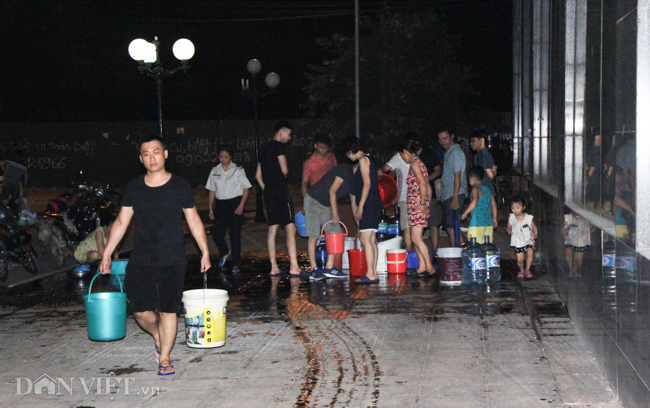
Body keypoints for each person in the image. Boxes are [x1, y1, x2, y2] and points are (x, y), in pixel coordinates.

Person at [99, 133, 211, 377]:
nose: (152, 157)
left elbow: (193, 219)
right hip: (141, 259)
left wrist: (204, 251)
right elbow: (121, 222)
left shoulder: (180, 185)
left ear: (166, 154)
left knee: (169, 310)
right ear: (141, 158)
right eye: (146, 153)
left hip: (173, 258)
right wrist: (106, 253)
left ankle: (165, 357)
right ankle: (160, 335)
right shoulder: (134, 187)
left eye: (156, 152)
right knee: (140, 311)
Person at [255, 120, 306, 277]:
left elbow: (257, 176)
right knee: (291, 228)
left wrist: (268, 190)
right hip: (281, 193)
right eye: (289, 134)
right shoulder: (279, 147)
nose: (290, 138)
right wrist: (281, 177)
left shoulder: (263, 149)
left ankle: (274, 267)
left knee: (273, 230)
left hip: (269, 193)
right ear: (281, 132)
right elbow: (284, 171)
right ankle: (294, 267)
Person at [205, 144, 252, 274]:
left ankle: (236, 262)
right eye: (221, 157)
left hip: (235, 203)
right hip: (221, 205)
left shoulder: (237, 170)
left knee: (234, 234)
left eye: (225, 157)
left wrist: (241, 205)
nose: (223, 159)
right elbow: (212, 190)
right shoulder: (215, 170)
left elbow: (246, 188)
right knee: (217, 232)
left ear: (230, 156)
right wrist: (210, 207)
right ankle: (225, 252)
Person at [304, 164, 355, 279]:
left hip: (326, 204)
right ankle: (314, 269)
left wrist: (359, 226)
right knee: (313, 235)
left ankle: (329, 267)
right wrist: (335, 214)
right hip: (314, 199)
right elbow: (332, 191)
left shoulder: (356, 181)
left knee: (335, 232)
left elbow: (354, 203)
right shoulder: (345, 170)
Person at [343, 137, 383, 284]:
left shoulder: (363, 160)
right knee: (371, 239)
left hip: (369, 204)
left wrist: (360, 206)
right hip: (373, 203)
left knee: (365, 239)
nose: (348, 157)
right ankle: (373, 272)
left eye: (348, 153)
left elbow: (367, 184)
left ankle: (370, 273)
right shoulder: (369, 159)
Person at [399, 140, 436, 277]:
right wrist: (427, 204)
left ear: (405, 152)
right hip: (417, 204)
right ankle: (422, 266)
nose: (402, 159)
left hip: (416, 204)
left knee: (417, 238)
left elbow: (422, 183)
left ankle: (430, 267)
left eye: (401, 156)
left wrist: (421, 203)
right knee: (415, 238)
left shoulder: (415, 163)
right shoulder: (421, 164)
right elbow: (428, 186)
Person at [437, 127, 467, 247]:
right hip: (449, 193)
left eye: (445, 138)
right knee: (452, 227)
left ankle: (458, 256)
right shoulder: (449, 151)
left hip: (454, 194)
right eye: (440, 139)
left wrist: (455, 198)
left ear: (452, 136)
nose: (442, 141)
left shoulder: (455, 152)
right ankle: (461, 254)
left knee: (451, 228)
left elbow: (457, 176)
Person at [412, 134, 442, 253]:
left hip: (429, 193)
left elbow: (438, 170)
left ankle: (434, 250)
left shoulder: (428, 154)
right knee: (418, 228)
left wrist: (425, 180)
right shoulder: (412, 157)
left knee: (433, 222)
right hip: (416, 195)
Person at [378, 145, 412, 250]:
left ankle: (409, 252)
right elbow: (393, 174)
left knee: (406, 227)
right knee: (412, 228)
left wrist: (379, 170)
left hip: (406, 198)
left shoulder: (398, 156)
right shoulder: (414, 158)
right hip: (412, 196)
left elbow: (386, 168)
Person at [461, 166, 498, 244]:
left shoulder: (475, 189)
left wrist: (465, 213)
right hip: (488, 223)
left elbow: (475, 201)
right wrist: (494, 219)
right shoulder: (488, 189)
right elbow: (494, 205)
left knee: (474, 246)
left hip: (477, 224)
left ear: (472, 178)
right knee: (486, 247)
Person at [506, 196, 537, 279]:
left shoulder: (528, 217)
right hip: (518, 240)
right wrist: (509, 231)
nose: (515, 210)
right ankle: (521, 270)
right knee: (520, 259)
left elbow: (534, 227)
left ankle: (527, 270)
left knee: (530, 253)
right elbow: (508, 227)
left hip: (528, 239)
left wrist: (535, 235)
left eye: (517, 208)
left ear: (523, 207)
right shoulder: (512, 217)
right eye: (513, 208)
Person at [469, 130, 497, 199]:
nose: (471, 143)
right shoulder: (482, 154)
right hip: (485, 192)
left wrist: (495, 172)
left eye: (473, 140)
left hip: (485, 193)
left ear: (482, 140)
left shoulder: (484, 155)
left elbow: (490, 176)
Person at [563, 211, 592, 278]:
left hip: (581, 239)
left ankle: (575, 269)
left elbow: (592, 228)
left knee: (578, 258)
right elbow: (562, 229)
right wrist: (564, 232)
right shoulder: (567, 217)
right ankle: (570, 270)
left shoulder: (586, 218)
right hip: (569, 238)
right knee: (568, 253)